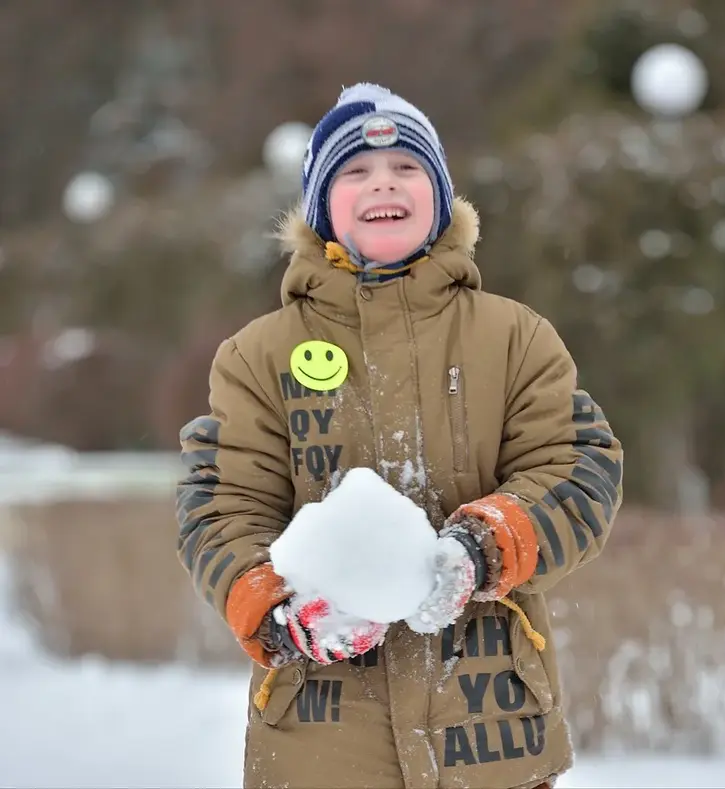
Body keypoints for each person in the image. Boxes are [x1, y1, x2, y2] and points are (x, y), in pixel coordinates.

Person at [176, 83, 623, 789]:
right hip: (321, 745)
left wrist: (485, 546)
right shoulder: (257, 357)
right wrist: (274, 604)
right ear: (322, 207)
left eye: (406, 168)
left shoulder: (515, 337)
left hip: (491, 733)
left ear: (442, 200)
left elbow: (575, 468)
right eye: (355, 172)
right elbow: (221, 504)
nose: (383, 181)